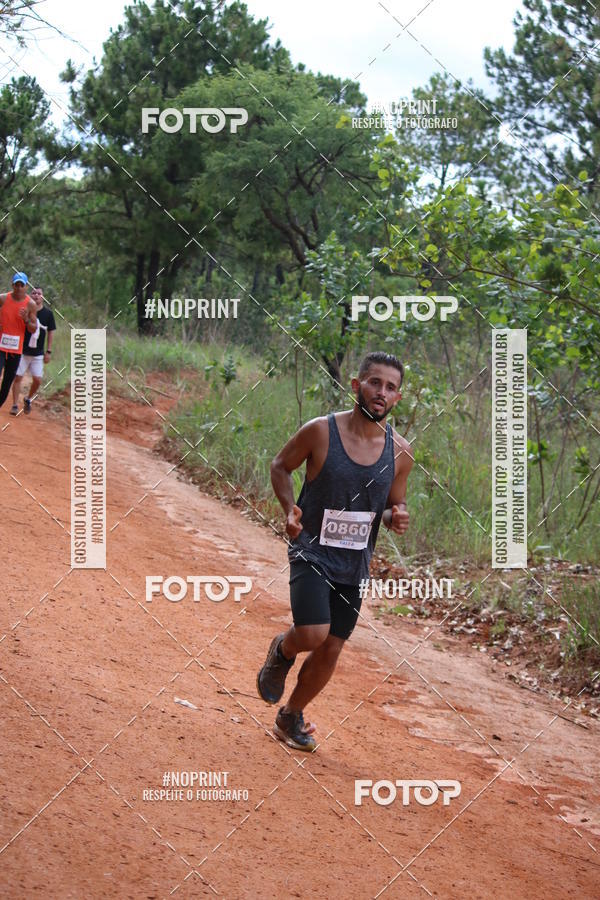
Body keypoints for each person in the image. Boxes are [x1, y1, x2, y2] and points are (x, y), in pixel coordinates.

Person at [257, 351, 413, 751]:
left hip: (354, 563)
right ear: (357, 386)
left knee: (332, 647)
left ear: (398, 397)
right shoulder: (321, 432)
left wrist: (397, 515)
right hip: (312, 549)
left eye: (391, 387)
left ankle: (290, 715)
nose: (382, 392)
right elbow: (280, 465)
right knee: (312, 632)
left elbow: (395, 503)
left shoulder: (401, 452)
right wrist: (289, 507)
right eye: (375, 383)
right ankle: (282, 649)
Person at [10, 286, 55, 415]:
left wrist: (49, 351)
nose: (36, 295)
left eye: (39, 293)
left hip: (38, 353)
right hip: (23, 351)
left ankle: (28, 399)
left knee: (38, 379)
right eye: (33, 293)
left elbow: (51, 332)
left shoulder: (48, 314)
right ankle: (14, 404)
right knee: (18, 377)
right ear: (30, 295)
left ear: (42, 296)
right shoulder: (25, 310)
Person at [0, 273, 38, 410]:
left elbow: (33, 329)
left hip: (16, 349)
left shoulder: (30, 305)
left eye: (22, 285)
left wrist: (26, 319)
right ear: (12, 285)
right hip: (0, 346)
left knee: (7, 382)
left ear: (26, 287)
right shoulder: (3, 299)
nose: (19, 287)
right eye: (17, 284)